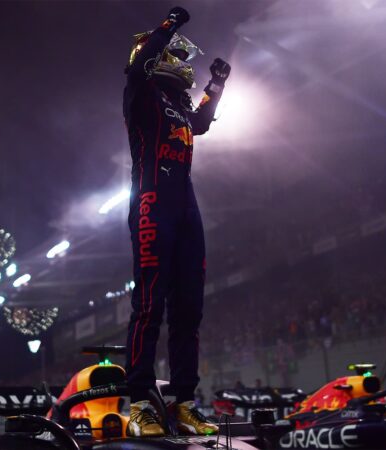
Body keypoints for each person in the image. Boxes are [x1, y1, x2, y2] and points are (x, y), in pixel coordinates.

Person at [122, 6, 230, 437]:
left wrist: (217, 85)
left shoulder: (178, 107)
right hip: (152, 202)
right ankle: (141, 403)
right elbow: (143, 62)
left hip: (185, 206)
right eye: (174, 56)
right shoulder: (141, 94)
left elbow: (201, 122)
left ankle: (184, 401)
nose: (180, 63)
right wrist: (169, 25)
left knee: (189, 309)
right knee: (149, 305)